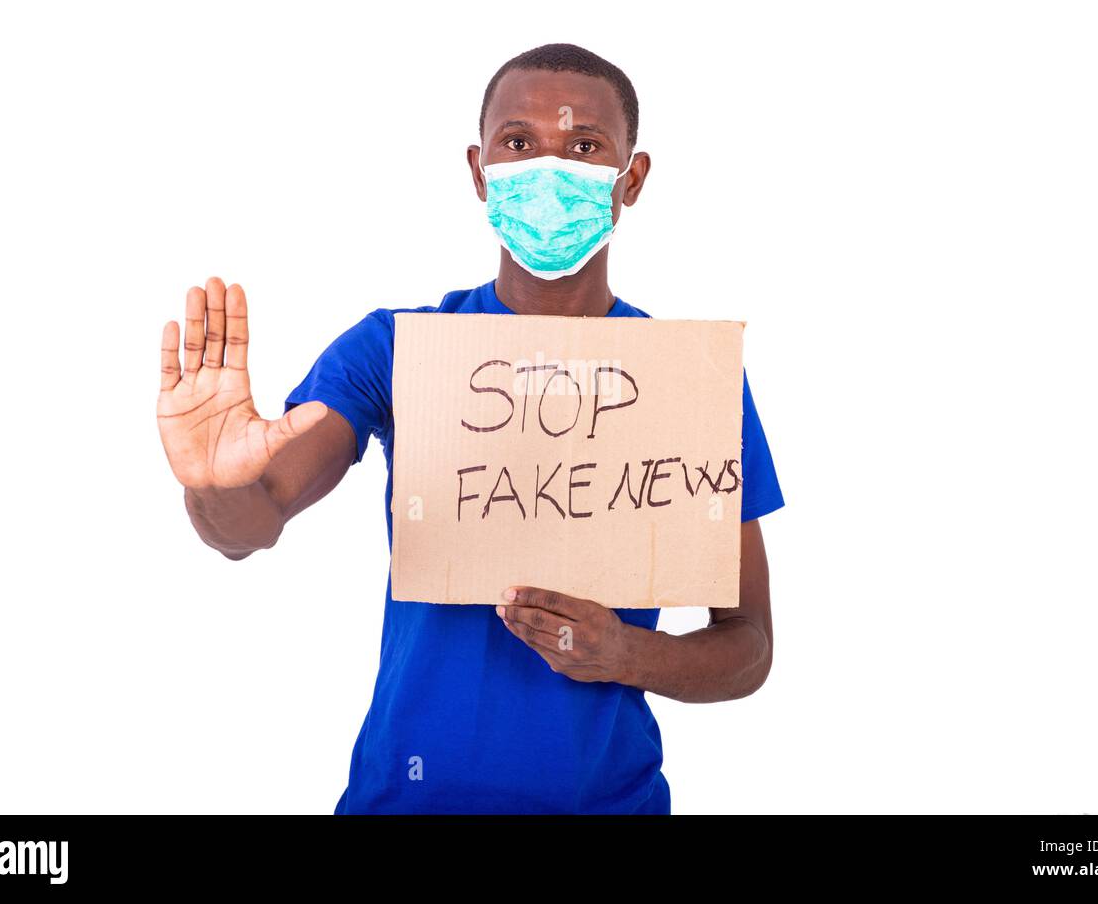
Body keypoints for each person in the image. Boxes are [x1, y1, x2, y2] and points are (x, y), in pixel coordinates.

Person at [156, 43, 785, 813]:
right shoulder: (396, 348)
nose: (549, 169)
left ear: (632, 180)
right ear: (480, 171)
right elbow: (252, 519)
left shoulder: (687, 378)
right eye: (519, 143)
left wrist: (624, 652)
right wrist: (211, 486)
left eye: (584, 145)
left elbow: (748, 645)